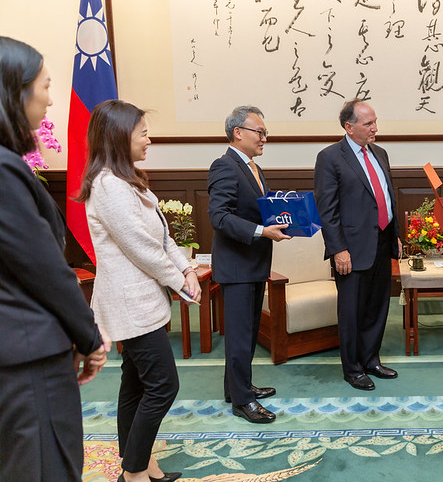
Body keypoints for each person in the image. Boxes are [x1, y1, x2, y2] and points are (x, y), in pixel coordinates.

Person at [0, 36, 110, 482]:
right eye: (45, 86)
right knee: (46, 467)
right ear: (16, 91)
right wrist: (90, 337)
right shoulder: (5, 171)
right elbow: (44, 270)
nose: (49, 100)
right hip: (26, 359)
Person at [78, 99, 199, 482]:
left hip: (142, 301)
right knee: (163, 386)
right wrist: (180, 282)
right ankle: (133, 473)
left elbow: (161, 237)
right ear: (119, 136)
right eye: (143, 133)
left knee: (135, 384)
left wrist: (187, 268)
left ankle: (140, 464)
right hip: (131, 305)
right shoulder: (107, 185)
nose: (149, 140)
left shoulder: (127, 178)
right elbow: (142, 248)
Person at [208, 105, 290, 423]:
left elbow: (257, 210)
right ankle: (242, 402)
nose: (264, 138)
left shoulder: (253, 167)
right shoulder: (224, 166)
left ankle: (237, 388)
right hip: (237, 266)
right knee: (240, 336)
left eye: (266, 132)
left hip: (254, 263)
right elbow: (219, 216)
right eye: (260, 132)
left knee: (248, 332)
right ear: (238, 132)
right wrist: (261, 231)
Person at [314, 98, 401, 391]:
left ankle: (371, 359)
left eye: (375, 122)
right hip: (350, 249)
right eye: (368, 123)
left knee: (378, 305)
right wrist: (338, 249)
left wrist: (395, 234)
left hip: (382, 241)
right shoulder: (330, 157)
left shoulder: (380, 153)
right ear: (349, 127)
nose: (375, 128)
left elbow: (386, 198)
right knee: (351, 311)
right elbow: (327, 210)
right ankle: (352, 369)